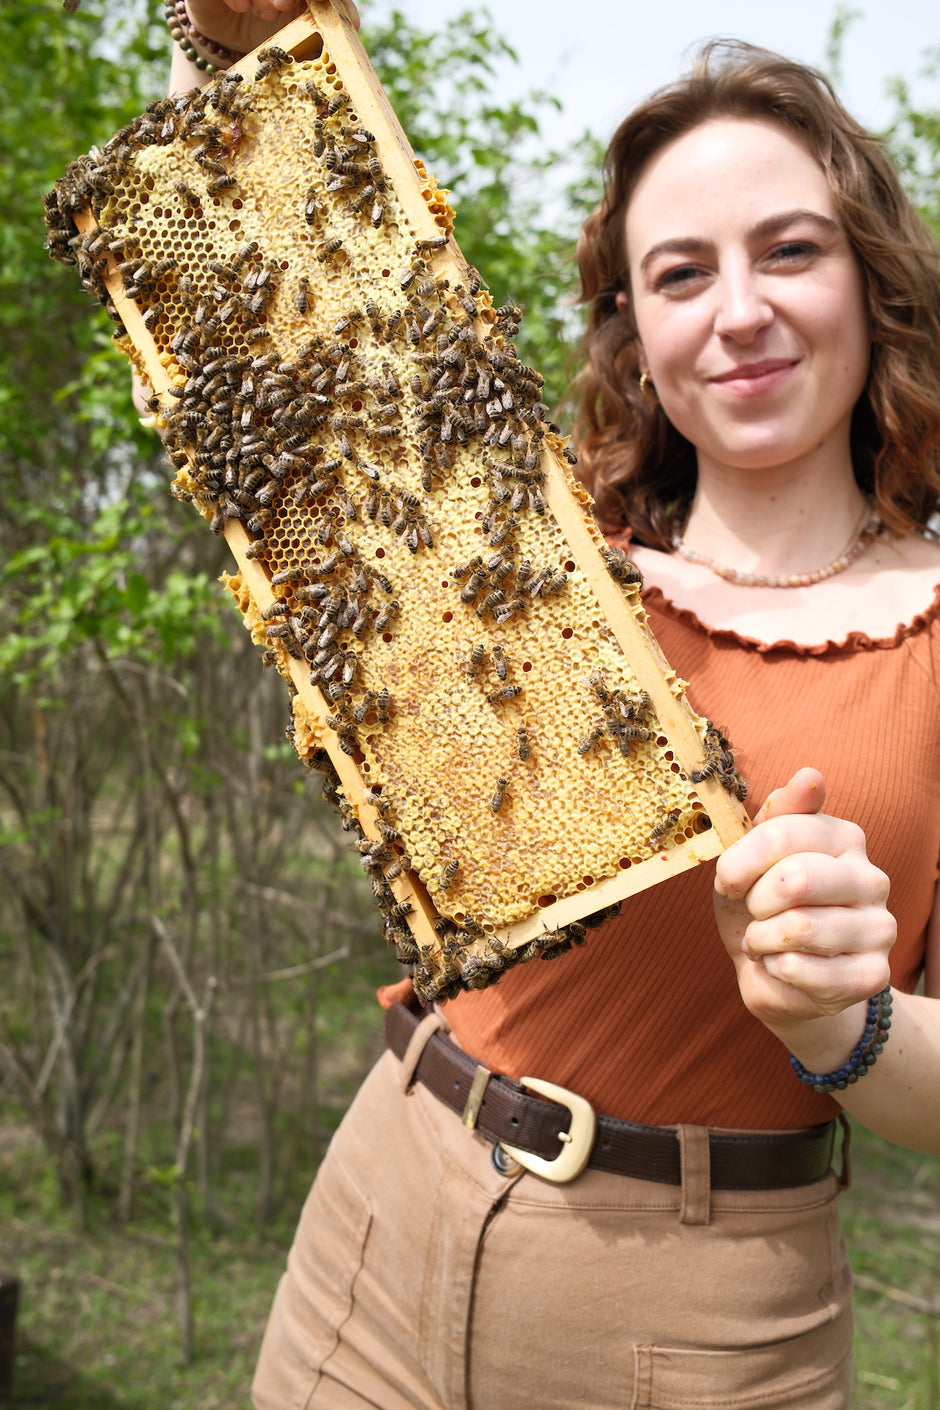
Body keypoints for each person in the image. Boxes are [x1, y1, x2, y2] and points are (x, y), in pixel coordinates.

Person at [162, 9, 940, 1406]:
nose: (740, 309)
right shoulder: (531, 545)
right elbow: (276, 334)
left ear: (874, 278)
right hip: (381, 1211)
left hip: (702, 1322)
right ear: (633, 326)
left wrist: (845, 1021)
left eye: (791, 249)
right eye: (681, 271)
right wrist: (219, 42)